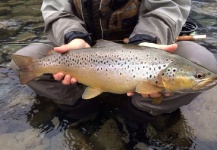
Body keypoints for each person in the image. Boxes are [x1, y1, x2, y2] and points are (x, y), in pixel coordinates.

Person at [10, 0, 217, 123]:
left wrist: (146, 41)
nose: (203, 78)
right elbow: (56, 10)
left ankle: (139, 113)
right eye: (198, 77)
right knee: (28, 60)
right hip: (83, 45)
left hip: (146, 43)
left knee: (205, 61)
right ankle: (79, 107)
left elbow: (167, 7)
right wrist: (72, 37)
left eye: (198, 77)